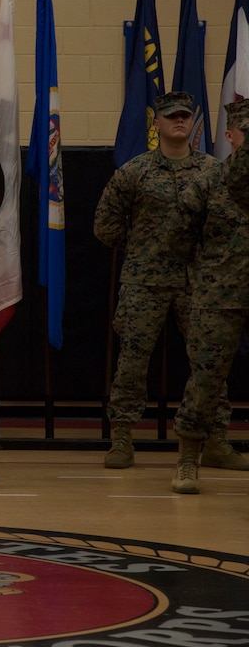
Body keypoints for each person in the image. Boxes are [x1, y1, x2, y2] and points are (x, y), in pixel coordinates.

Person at [94, 91, 246, 471]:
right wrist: (142, 247)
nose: (179, 120)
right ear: (156, 123)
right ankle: (123, 438)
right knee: (131, 362)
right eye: (171, 115)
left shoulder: (214, 172)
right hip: (145, 281)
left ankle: (214, 439)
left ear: (193, 121)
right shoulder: (134, 172)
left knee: (209, 365)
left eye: (184, 115)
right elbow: (105, 225)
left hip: (201, 282)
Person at [168, 98, 249, 494]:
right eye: (246, 135)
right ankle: (187, 459)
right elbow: (178, 235)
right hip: (220, 293)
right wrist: (204, 276)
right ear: (231, 136)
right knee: (206, 380)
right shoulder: (209, 181)